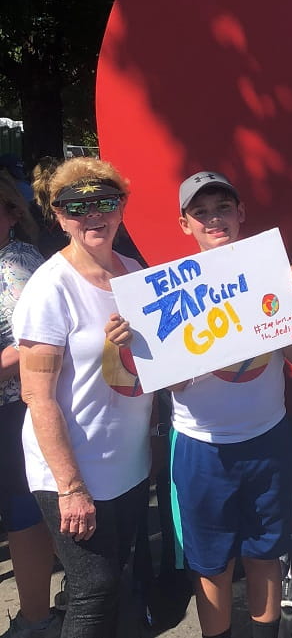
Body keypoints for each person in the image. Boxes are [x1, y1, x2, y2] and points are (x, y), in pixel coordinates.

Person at [12, 159, 153, 638]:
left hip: (128, 463)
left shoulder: (133, 272)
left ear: (122, 207)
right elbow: (37, 394)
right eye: (77, 206)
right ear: (57, 214)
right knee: (93, 589)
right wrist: (70, 487)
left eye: (105, 201)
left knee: (114, 583)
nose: (93, 215)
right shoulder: (49, 287)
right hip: (74, 471)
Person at [170, 170, 292, 638]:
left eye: (223, 208)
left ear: (241, 213)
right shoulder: (169, 293)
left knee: (266, 553)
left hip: (267, 435)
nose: (214, 219)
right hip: (201, 445)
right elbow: (166, 385)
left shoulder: (272, 273)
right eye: (201, 212)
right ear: (184, 223)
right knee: (211, 564)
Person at [0, 172, 59, 638]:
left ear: (11, 214)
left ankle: (36, 617)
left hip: (15, 408)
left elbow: (32, 342)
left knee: (23, 514)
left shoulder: (17, 264)